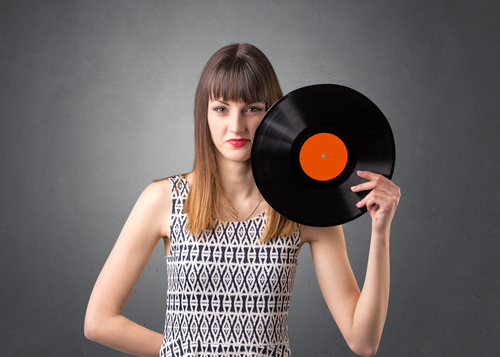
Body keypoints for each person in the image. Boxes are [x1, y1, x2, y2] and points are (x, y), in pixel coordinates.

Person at [84, 43, 401, 357]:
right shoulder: (163, 199)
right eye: (221, 108)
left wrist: (380, 230)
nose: (236, 125)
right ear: (203, 114)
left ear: (274, 112)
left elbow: (364, 341)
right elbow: (99, 321)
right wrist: (186, 352)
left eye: (252, 108)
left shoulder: (305, 207)